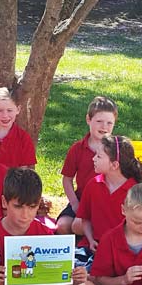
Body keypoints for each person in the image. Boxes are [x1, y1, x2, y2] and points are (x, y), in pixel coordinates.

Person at [75, 135, 142, 267]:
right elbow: (85, 218)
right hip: (91, 248)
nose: (93, 159)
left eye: (99, 156)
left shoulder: (135, 191)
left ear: (114, 165)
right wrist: (90, 240)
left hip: (122, 251)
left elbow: (140, 229)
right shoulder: (93, 184)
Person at [57, 96, 117, 235]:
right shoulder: (77, 149)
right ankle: (75, 251)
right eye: (99, 121)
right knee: (62, 226)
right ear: (88, 120)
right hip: (81, 198)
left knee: (85, 226)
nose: (104, 127)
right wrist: (74, 203)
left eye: (109, 123)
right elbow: (67, 179)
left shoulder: (116, 149)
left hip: (107, 200)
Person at [0, 87, 36, 169]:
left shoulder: (23, 139)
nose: (5, 115)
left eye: (9, 110)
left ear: (18, 109)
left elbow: (23, 171)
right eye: (0, 110)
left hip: (14, 181)